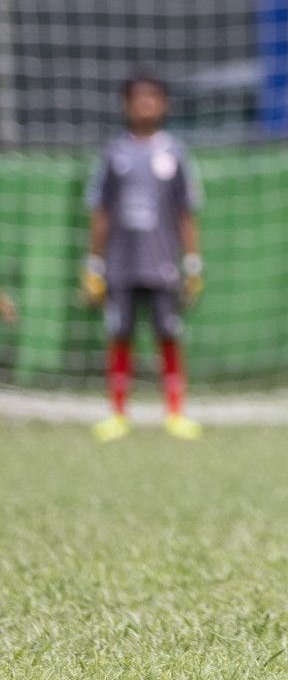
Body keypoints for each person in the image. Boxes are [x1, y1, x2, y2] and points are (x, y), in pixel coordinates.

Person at [82, 73, 205, 442]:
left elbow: (186, 212)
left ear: (164, 104)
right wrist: (93, 262)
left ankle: (175, 412)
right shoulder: (113, 153)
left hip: (162, 262)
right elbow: (101, 212)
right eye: (138, 98)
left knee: (168, 334)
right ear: (126, 105)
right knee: (119, 334)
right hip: (120, 263)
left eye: (153, 97)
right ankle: (118, 413)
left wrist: (193, 261)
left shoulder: (176, 153)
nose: (145, 104)